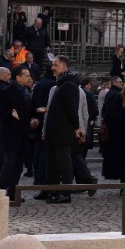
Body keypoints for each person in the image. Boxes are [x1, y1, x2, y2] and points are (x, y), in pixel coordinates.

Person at [40, 58, 84, 203]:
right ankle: (51, 189)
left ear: (64, 67)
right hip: (55, 130)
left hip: (63, 131)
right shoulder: (62, 83)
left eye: (55, 65)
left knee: (63, 162)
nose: (52, 67)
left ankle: (65, 192)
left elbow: (72, 108)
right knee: (52, 161)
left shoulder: (69, 85)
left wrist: (77, 126)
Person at [99, 75, 125, 180]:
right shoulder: (116, 95)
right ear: (114, 83)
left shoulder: (111, 93)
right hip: (114, 129)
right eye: (120, 82)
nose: (121, 84)